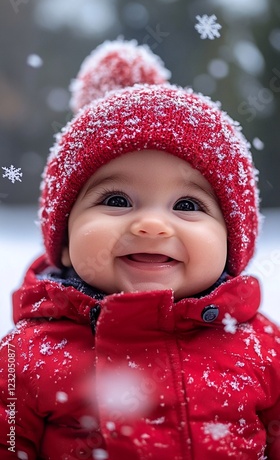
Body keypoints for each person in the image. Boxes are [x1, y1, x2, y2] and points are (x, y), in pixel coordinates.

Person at [0, 39, 280, 460]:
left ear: (230, 243)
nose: (151, 224)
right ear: (66, 239)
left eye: (187, 205)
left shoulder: (266, 353)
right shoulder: (24, 359)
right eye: (116, 200)